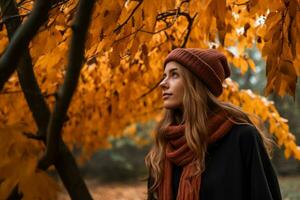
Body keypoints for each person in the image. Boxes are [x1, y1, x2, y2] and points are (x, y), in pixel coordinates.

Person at [144, 48, 282, 200]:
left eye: (174, 74)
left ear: (196, 83)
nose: (163, 83)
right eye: (164, 76)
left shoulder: (241, 137)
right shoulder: (166, 145)